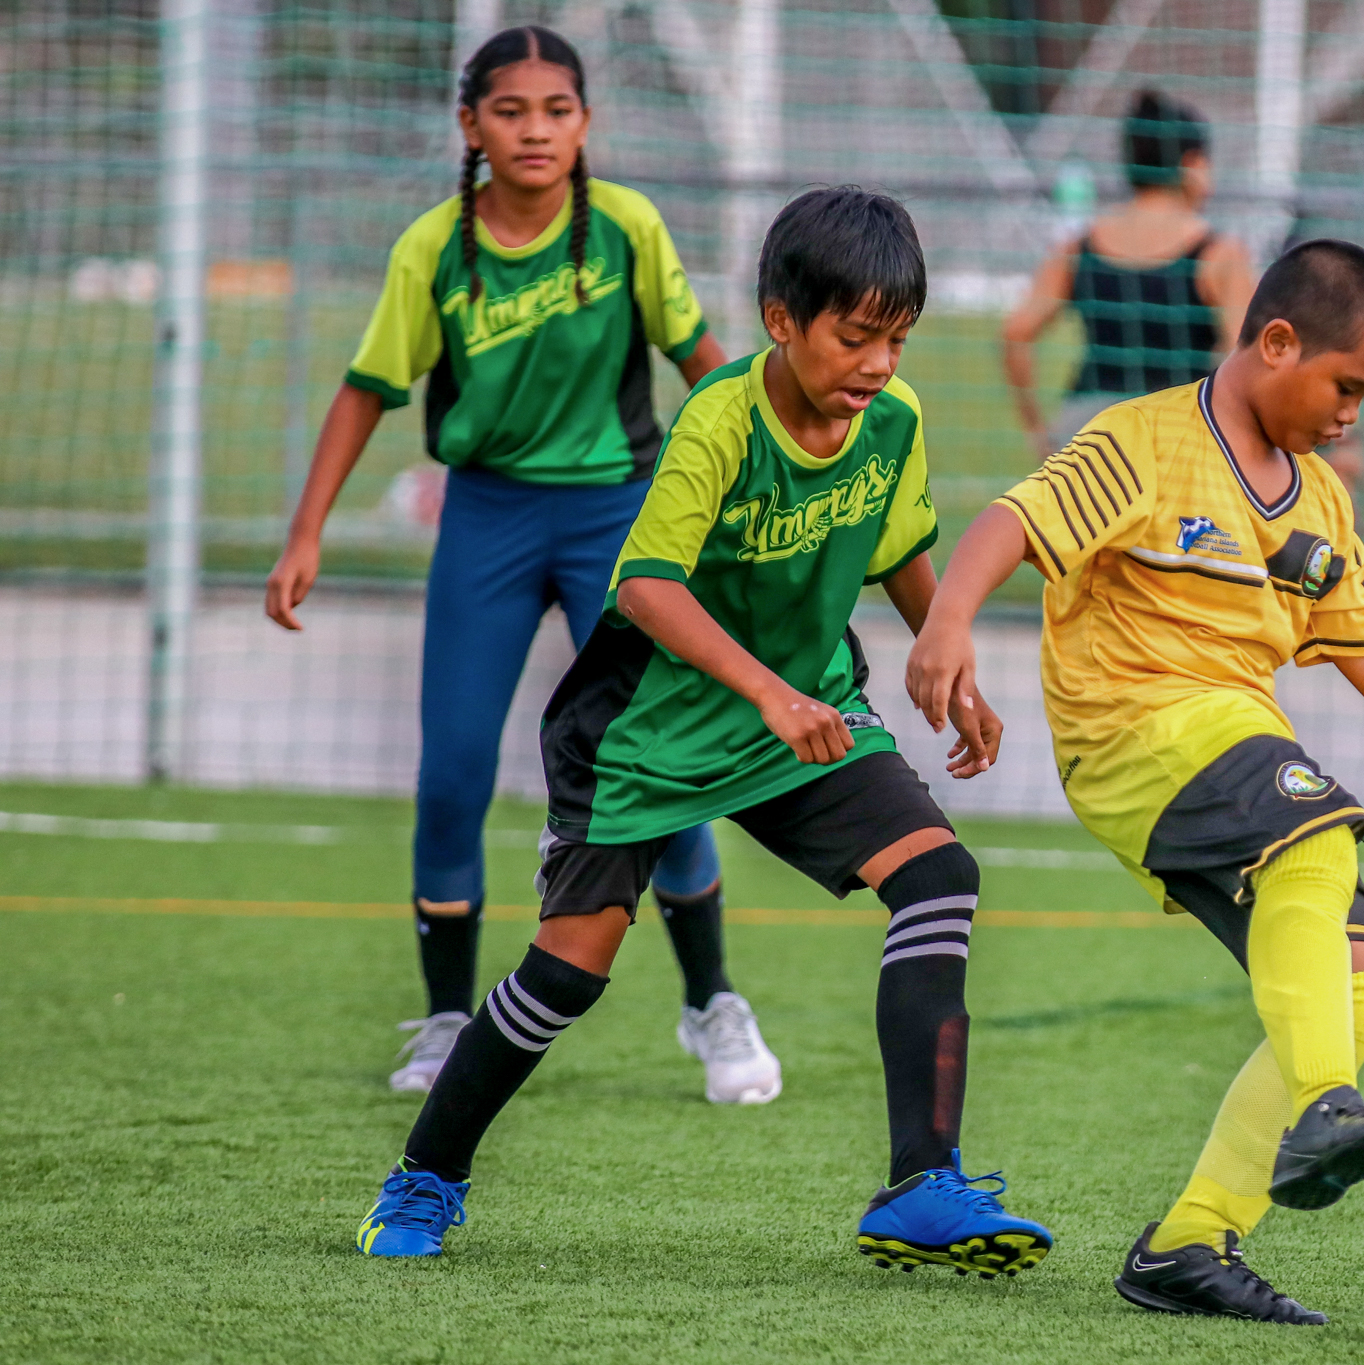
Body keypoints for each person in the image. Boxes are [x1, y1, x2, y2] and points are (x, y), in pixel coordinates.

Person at [353, 186, 1055, 1276]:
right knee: (568, 972)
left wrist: (945, 654)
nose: (876, 363)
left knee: (937, 876)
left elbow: (900, 547)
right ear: (782, 320)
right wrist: (767, 694)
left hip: (804, 713)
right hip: (647, 730)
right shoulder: (720, 419)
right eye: (854, 336)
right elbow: (644, 587)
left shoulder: (895, 421)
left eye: (896, 338)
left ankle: (923, 1183)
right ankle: (425, 1178)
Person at [906, 240, 1364, 1322]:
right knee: (1315, 830)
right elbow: (1012, 521)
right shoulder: (1144, 441)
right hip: (1129, 735)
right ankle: (1325, 1107)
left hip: (1225, 747)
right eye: (1346, 386)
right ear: (1275, 342)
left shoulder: (1319, 507)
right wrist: (947, 620)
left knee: (1360, 976)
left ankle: (1189, 1241)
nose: (1353, 415)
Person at [263, 27, 781, 1107]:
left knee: (658, 765)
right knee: (451, 774)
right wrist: (305, 531)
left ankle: (712, 1005)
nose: (534, 129)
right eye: (510, 110)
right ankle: (448, 1017)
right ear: (470, 126)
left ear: (584, 123)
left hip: (618, 524)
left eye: (556, 109)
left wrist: (760, 480)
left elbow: (706, 367)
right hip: (488, 523)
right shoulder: (433, 250)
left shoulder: (628, 226)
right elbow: (367, 387)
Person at [1001, 90, 1254, 459]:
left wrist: (1041, 433)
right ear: (1192, 164)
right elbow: (1244, 356)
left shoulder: (1080, 246)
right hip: (1174, 437)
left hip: (1088, 434)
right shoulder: (1219, 255)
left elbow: (1015, 333)